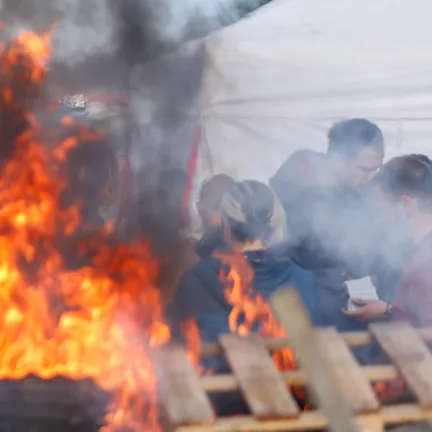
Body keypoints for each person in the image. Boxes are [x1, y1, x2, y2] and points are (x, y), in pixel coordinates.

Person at [170, 180, 324, 347]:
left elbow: (195, 353)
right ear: (275, 225)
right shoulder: (307, 281)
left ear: (226, 228)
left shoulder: (197, 281)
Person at [270, 119, 385, 329]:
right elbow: (283, 259)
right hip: (307, 314)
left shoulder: (360, 195)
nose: (371, 178)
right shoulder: (297, 195)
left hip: (350, 311)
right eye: (365, 169)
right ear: (338, 160)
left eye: (376, 170)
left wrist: (371, 275)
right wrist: (330, 280)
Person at [350, 154, 432, 326]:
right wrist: (388, 309)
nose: (376, 217)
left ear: (405, 205)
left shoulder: (426, 262)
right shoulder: (418, 252)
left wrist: (387, 310)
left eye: (380, 206)